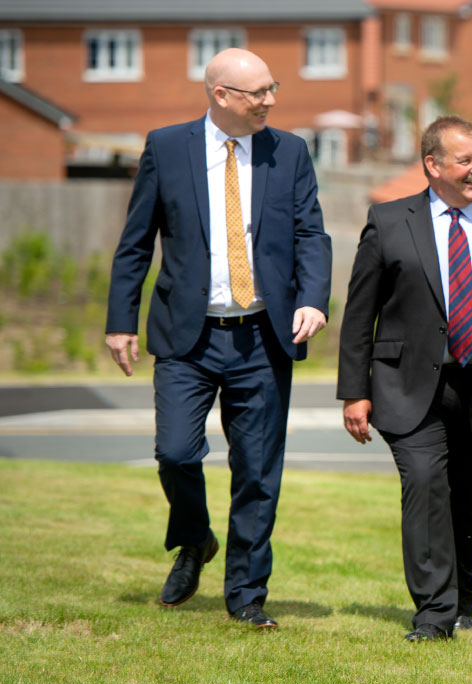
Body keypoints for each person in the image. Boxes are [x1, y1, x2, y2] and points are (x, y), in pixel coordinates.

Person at [105, 49, 332, 629]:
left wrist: (312, 298)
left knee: (257, 469)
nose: (271, 101)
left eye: (273, 89)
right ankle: (194, 538)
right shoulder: (167, 147)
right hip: (188, 336)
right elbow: (137, 241)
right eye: (258, 93)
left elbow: (312, 232)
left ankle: (246, 596)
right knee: (176, 453)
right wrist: (120, 320)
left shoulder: (291, 151)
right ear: (221, 95)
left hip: (262, 337)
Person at [337, 116, 472, 642]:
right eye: (465, 160)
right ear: (433, 165)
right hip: (405, 386)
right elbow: (360, 314)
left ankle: (460, 597)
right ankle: (433, 612)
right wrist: (354, 391)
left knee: (466, 494)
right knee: (425, 485)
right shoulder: (388, 221)